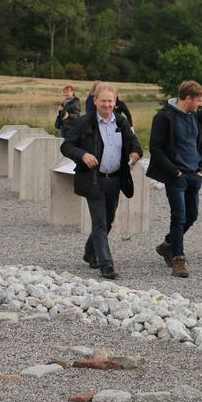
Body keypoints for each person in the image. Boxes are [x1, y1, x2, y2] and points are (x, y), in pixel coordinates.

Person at [60, 82, 142, 280]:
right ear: (95, 101)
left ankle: (90, 252)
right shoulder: (83, 123)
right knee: (99, 223)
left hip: (115, 179)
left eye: (110, 101)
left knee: (108, 221)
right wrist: (82, 155)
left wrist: (134, 153)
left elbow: (136, 144)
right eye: (103, 100)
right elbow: (66, 146)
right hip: (93, 180)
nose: (107, 104)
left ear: (115, 102)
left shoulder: (121, 122)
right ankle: (106, 265)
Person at [148, 80, 202, 278]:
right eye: (198, 100)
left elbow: (201, 144)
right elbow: (155, 149)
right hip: (175, 176)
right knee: (179, 215)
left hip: (194, 174)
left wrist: (201, 170)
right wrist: (175, 173)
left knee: (192, 216)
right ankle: (178, 260)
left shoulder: (197, 116)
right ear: (187, 98)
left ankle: (167, 245)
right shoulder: (164, 117)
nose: (200, 104)